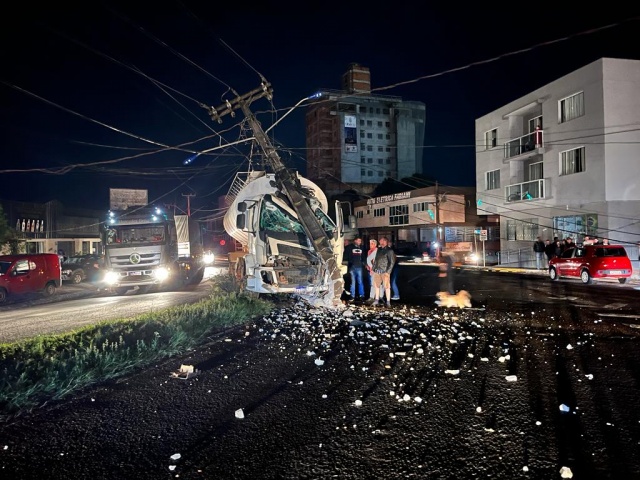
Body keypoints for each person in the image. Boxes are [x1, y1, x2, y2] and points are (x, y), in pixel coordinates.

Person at [368, 237, 396, 307]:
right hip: (377, 270)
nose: (380, 242)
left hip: (384, 271)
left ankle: (388, 301)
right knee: (376, 286)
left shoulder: (389, 251)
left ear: (385, 242)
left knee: (386, 286)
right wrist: (373, 269)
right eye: (380, 241)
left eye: (381, 241)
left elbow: (392, 262)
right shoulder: (379, 250)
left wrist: (388, 271)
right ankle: (376, 300)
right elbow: (376, 260)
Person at [344, 237, 366, 301]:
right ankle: (353, 295)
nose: (360, 242)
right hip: (352, 267)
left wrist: (364, 263)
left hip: (359, 267)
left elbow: (363, 257)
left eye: (360, 241)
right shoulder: (349, 248)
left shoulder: (361, 248)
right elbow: (346, 256)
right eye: (359, 241)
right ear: (355, 241)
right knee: (353, 282)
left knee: (360, 281)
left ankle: (361, 295)